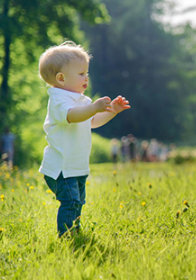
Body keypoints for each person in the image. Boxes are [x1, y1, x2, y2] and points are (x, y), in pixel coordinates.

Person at [38, 41, 131, 237]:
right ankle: (66, 236)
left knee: (78, 201)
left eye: (86, 73)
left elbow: (93, 121)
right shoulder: (58, 100)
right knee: (71, 201)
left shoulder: (82, 101)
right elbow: (72, 116)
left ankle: (75, 231)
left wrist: (112, 110)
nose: (86, 77)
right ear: (61, 79)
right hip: (61, 168)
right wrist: (93, 108)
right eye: (81, 74)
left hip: (77, 166)